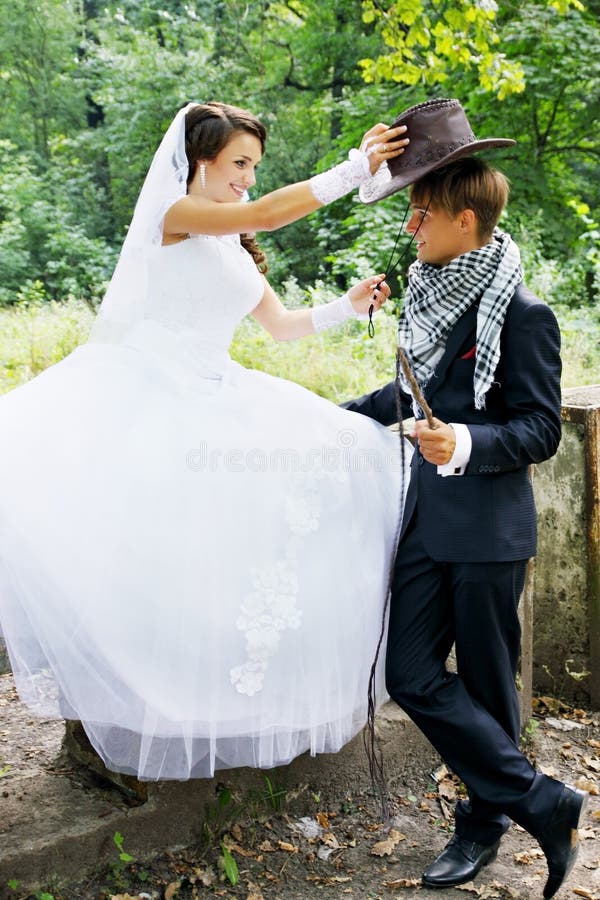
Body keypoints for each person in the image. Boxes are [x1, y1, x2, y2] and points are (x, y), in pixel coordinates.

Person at [0, 101, 412, 781]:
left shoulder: (230, 242)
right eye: (238, 164)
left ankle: (231, 689)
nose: (248, 177)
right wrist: (352, 170)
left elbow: (279, 327)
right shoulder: (176, 217)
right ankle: (116, 720)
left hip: (218, 388)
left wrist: (349, 306)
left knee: (346, 462)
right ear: (199, 161)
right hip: (151, 393)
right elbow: (267, 213)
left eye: (255, 165)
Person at [344, 99, 588, 900]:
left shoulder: (524, 314)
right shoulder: (426, 295)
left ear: (462, 218)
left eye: (419, 216)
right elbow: (407, 391)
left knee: (489, 686)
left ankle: (483, 822)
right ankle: (543, 802)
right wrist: (324, 419)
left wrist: (468, 443)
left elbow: (537, 431)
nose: (410, 230)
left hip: (488, 531)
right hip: (423, 523)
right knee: (411, 675)